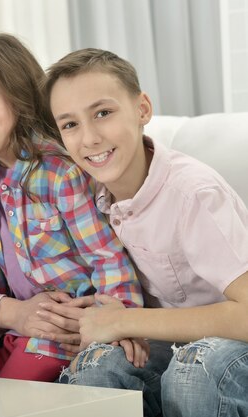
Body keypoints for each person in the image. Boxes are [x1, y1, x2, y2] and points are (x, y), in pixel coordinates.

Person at [44, 47, 248, 417]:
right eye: (70, 124)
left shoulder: (193, 194)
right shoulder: (86, 197)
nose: (89, 138)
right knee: (97, 363)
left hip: (231, 352)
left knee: (194, 368)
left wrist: (127, 320)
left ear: (142, 110)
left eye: (103, 113)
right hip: (168, 347)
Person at [0, 34, 144, 382]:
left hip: (69, 329)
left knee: (12, 395)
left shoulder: (60, 173)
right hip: (21, 329)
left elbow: (105, 255)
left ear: (17, 96)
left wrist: (121, 322)